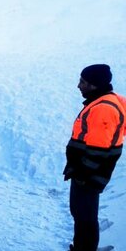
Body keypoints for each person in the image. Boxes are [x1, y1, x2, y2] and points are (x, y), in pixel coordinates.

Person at [63, 64, 126, 251]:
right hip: (88, 173)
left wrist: (82, 174)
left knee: (84, 216)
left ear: (95, 85)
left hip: (88, 175)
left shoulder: (102, 109)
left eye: (83, 82)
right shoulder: (107, 101)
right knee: (83, 215)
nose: (78, 86)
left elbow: (98, 151)